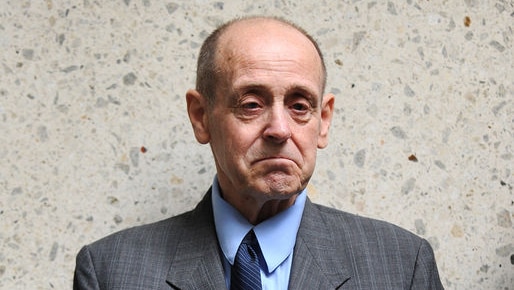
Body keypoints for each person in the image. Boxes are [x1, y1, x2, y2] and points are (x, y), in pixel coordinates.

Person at [74, 16, 443, 289]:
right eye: (251, 104)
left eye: (300, 106)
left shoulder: (401, 267)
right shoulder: (109, 272)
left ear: (323, 121)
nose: (280, 129)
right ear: (201, 117)